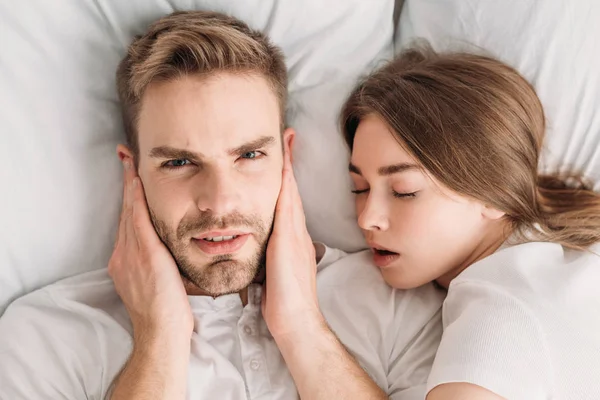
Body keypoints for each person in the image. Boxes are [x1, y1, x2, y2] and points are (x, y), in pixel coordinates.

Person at [0, 11, 443, 400]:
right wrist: (159, 341)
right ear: (132, 171)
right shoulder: (42, 339)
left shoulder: (397, 306)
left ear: (286, 157)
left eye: (249, 155)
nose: (219, 202)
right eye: (179, 162)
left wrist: (302, 328)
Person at [340, 44, 600, 400]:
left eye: (403, 191)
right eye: (360, 188)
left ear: (493, 193)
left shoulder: (500, 314)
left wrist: (299, 327)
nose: (368, 217)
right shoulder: (573, 253)